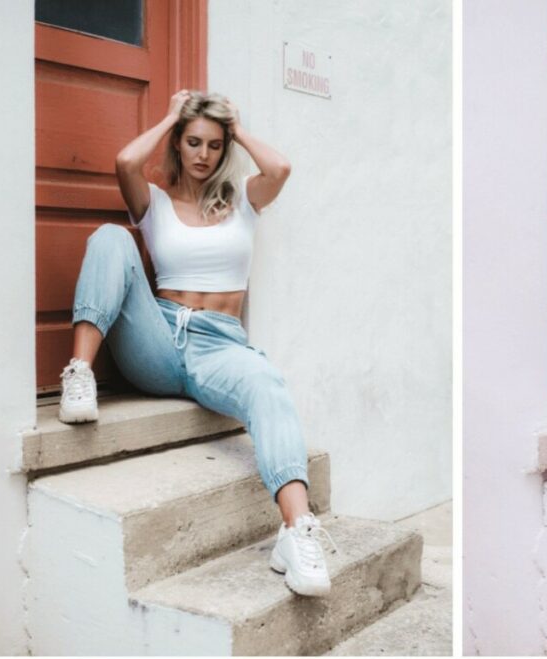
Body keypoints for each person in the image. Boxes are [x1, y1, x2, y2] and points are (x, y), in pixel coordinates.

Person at [57, 89, 335, 597]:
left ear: (225, 146)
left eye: (214, 144)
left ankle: (297, 533)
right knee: (112, 238)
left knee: (267, 383)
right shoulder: (155, 202)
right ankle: (79, 373)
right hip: (157, 339)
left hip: (219, 346)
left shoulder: (243, 201)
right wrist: (169, 116)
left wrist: (237, 124)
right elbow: (125, 160)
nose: (203, 155)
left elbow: (282, 169)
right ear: (178, 144)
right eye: (193, 142)